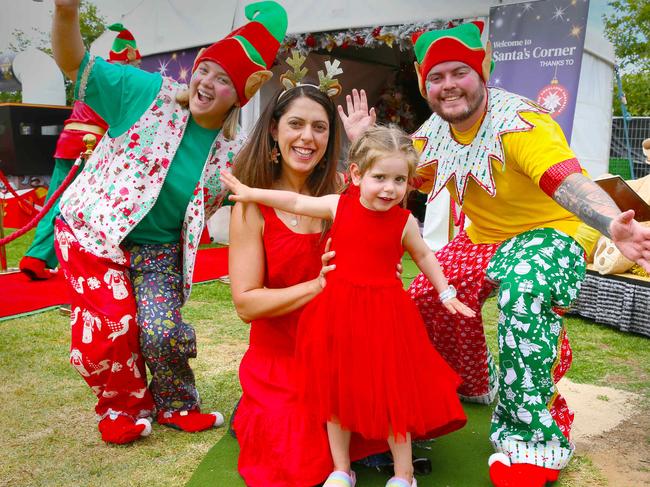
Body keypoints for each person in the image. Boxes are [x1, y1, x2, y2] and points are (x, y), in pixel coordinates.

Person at [401, 22, 650, 487]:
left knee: (525, 291)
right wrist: (358, 142)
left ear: (483, 71)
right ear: (423, 85)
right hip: (483, 237)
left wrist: (608, 222)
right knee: (427, 294)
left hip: (548, 232)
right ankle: (477, 383)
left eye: (460, 72)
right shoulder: (429, 137)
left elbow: (566, 180)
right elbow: (389, 178)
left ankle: (534, 439)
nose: (449, 85)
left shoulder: (522, 122)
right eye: (437, 77)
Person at [50, 0, 287, 445]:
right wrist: (66, 13)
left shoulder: (229, 156)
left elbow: (271, 193)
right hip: (94, 234)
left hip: (158, 253)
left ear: (239, 96)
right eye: (205, 70)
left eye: (223, 80)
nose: (206, 83)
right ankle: (123, 409)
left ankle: (177, 404)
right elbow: (74, 64)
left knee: (163, 330)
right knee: (113, 323)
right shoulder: (146, 93)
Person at [223, 125, 471, 487]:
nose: (389, 188)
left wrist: (446, 292)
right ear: (356, 175)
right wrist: (251, 192)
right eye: (380, 177)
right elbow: (293, 202)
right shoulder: (339, 206)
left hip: (386, 320)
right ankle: (342, 469)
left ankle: (405, 474)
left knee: (389, 397)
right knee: (335, 396)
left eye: (399, 179)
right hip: (339, 317)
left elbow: (424, 255)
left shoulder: (403, 222)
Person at [18, 23, 141, 280]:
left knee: (55, 201)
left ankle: (36, 257)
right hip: (91, 147)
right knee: (91, 207)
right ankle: (89, 259)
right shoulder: (121, 82)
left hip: (67, 142)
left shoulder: (95, 75)